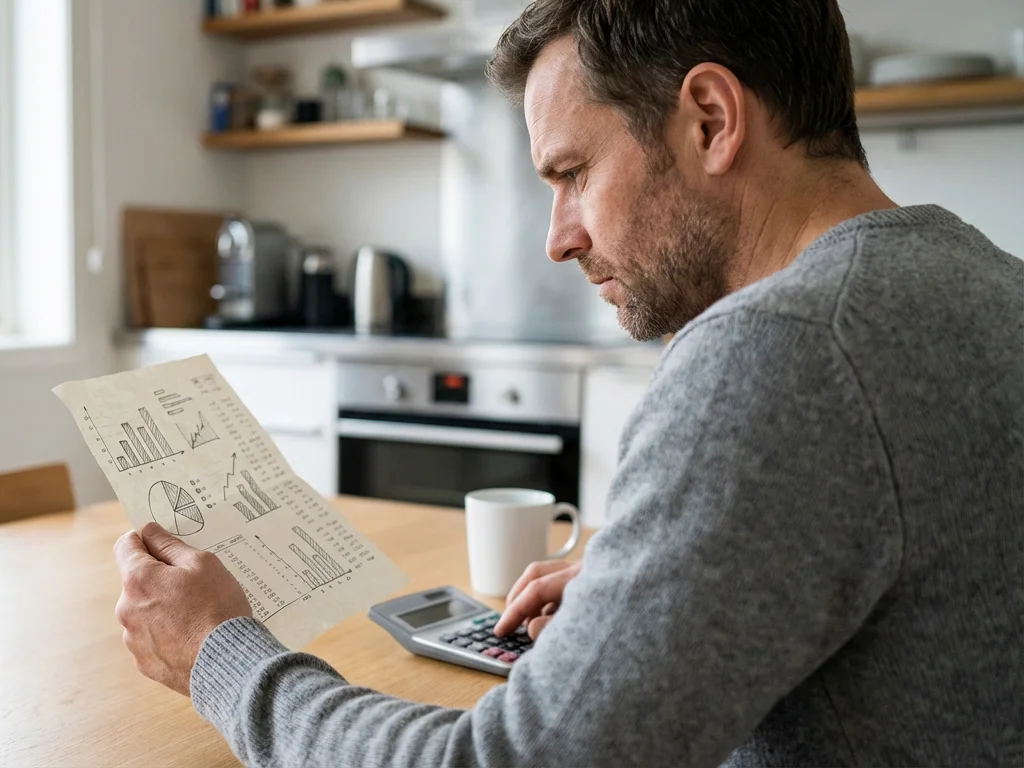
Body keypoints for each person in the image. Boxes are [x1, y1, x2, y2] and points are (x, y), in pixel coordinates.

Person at [112, 0, 1024, 764]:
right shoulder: (993, 286)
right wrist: (669, 574)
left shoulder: (781, 350)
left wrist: (219, 656)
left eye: (574, 173)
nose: (559, 236)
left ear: (710, 117)